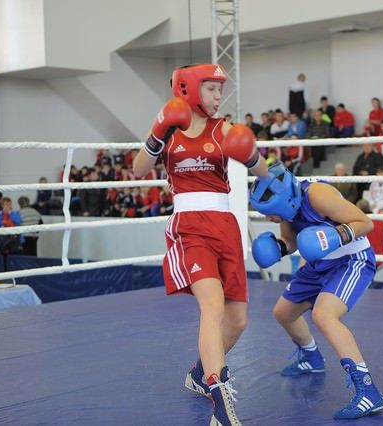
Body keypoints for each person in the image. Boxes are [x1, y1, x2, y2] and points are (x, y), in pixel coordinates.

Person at [132, 63, 268, 426]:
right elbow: (138, 169)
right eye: (211, 88)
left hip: (225, 225)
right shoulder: (168, 131)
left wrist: (253, 156)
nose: (219, 96)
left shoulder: (224, 129)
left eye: (220, 89)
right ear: (189, 89)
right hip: (189, 228)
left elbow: (263, 173)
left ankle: (198, 374)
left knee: (237, 321)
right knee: (212, 306)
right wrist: (158, 130)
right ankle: (220, 403)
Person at [249, 163, 383, 420]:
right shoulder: (287, 209)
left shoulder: (319, 195)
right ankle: (312, 358)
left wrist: (334, 236)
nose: (269, 218)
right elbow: (292, 240)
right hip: (317, 264)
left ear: (285, 201)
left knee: (324, 316)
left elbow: (365, 223)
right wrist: (278, 248)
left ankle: (369, 392)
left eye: (271, 213)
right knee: (283, 313)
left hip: (350, 260)